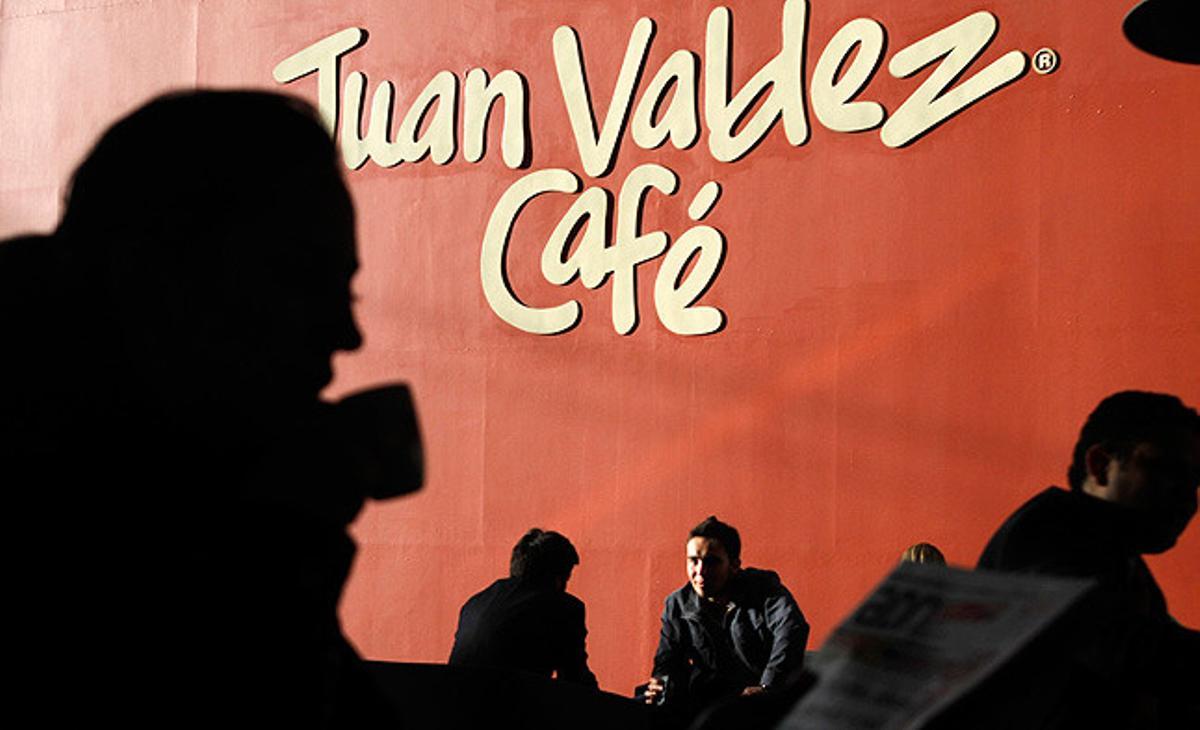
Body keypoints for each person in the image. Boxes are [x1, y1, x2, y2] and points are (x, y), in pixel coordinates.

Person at [3, 90, 421, 728]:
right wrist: (281, 537)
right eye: (304, 281)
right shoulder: (96, 555)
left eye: (349, 291)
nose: (346, 333)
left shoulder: (182, 513)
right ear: (152, 279)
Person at [977, 390, 1200, 729]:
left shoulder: (1120, 560)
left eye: (1195, 482)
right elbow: (1124, 647)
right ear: (1100, 465)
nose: (1187, 498)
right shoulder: (1048, 532)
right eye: (1166, 470)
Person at [644, 516, 810, 719]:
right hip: (710, 703)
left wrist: (767, 687)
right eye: (693, 561)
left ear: (734, 565)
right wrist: (662, 682)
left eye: (711, 562)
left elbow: (792, 629)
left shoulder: (763, 589)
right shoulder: (677, 604)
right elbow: (668, 659)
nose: (700, 572)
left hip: (763, 702)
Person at [449, 528, 599, 687]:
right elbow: (575, 679)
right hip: (513, 707)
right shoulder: (562, 608)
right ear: (558, 578)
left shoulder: (474, 604)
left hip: (454, 705)